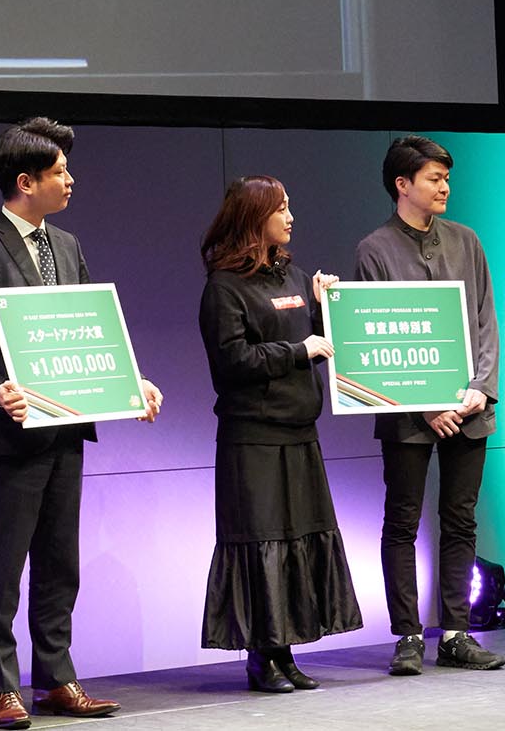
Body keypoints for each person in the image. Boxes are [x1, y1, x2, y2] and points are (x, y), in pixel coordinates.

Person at [0, 117, 161, 728]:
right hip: (11, 435)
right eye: (59, 171)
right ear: (25, 181)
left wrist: (131, 382)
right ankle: (3, 688)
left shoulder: (66, 245)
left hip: (66, 427)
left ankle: (57, 679)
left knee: (59, 562)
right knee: (5, 563)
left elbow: (90, 328)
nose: (70, 180)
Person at [197, 176, 361, 692]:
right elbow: (232, 361)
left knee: (294, 540)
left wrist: (322, 306)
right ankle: (261, 656)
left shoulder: (291, 273)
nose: (291, 217)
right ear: (253, 218)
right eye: (281, 208)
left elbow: (308, 337)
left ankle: (285, 652)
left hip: (299, 430)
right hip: (254, 438)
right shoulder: (224, 287)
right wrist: (298, 351)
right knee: (262, 542)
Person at [353, 136, 505, 676]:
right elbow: (377, 342)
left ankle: (457, 632)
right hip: (408, 416)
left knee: (460, 520)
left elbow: (486, 321)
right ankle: (407, 636)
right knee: (403, 521)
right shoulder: (375, 249)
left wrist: (479, 388)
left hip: (469, 408)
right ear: (402, 184)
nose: (444, 187)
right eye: (433, 179)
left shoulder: (467, 241)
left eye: (446, 178)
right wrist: (423, 406)